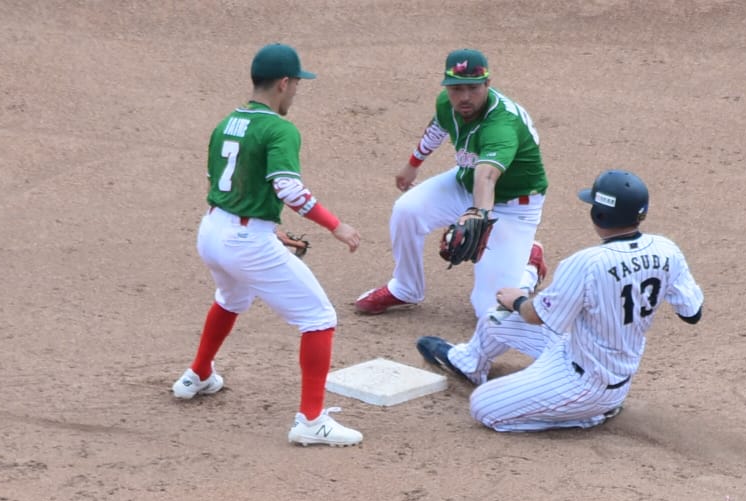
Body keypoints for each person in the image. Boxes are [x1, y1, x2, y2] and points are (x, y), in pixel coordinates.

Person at [172, 43, 364, 448]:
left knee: (231, 296)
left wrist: (267, 222)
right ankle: (311, 422)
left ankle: (198, 375)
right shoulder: (280, 128)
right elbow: (288, 187)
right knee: (319, 317)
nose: (295, 91)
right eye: (295, 83)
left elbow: (224, 181)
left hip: (211, 230)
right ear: (283, 82)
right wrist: (336, 225)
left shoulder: (227, 123)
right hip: (245, 240)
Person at [413, 169, 704, 432]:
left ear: (598, 215)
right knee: (494, 318)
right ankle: (469, 363)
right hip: (579, 348)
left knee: (483, 407)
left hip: (587, 384)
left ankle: (588, 416)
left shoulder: (586, 263)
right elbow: (692, 314)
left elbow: (535, 315)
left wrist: (517, 299)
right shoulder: (668, 250)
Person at [354, 48, 549, 317]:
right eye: (456, 88)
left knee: (490, 311)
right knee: (407, 210)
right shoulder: (448, 104)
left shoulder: (501, 124)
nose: (464, 97)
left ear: (487, 84)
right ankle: (406, 288)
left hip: (513, 205)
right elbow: (437, 128)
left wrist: (479, 216)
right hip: (465, 183)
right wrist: (413, 164)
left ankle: (529, 267)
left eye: (473, 88)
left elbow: (487, 175)